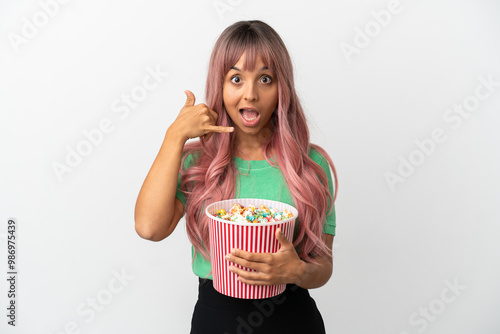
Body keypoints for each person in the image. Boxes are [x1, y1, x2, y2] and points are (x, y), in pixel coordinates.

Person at [134, 20, 338, 334]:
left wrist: (297, 271)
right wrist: (173, 137)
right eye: (236, 78)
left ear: (281, 87)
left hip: (294, 319)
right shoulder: (198, 162)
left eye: (265, 78)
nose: (251, 94)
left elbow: (323, 268)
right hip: (217, 319)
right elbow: (149, 229)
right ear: (221, 85)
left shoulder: (311, 165)